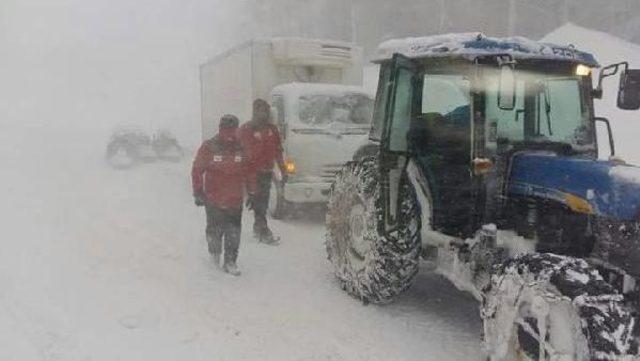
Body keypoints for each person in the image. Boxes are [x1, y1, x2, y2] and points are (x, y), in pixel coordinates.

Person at [192, 114, 254, 276]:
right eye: (226, 129)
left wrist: (253, 192)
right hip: (214, 199)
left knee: (233, 231)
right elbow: (197, 169)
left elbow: (249, 171)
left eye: (233, 130)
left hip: (235, 200)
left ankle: (231, 261)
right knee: (214, 230)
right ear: (220, 129)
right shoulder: (209, 147)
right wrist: (198, 191)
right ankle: (214, 254)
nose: (230, 133)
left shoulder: (241, 148)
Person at [240, 99, 286, 245]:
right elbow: (242, 152)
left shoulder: (272, 130)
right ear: (255, 111)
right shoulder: (247, 129)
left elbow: (278, 150)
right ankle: (263, 229)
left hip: (267, 172)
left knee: (263, 202)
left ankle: (258, 226)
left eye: (265, 111)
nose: (263, 114)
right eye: (260, 110)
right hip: (251, 172)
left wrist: (283, 169)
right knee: (256, 200)